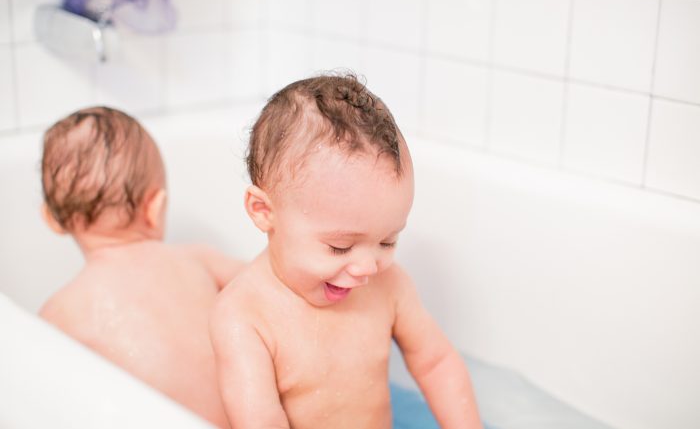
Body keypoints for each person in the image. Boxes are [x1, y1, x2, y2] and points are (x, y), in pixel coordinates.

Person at [210, 74, 483, 428]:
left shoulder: (389, 285)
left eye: (387, 241)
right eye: (340, 247)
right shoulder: (244, 316)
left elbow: (437, 363)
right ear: (264, 212)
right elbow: (259, 421)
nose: (367, 266)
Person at [39, 106, 243, 428]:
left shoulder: (58, 313)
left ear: (53, 220)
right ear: (155, 206)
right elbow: (272, 287)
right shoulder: (198, 259)